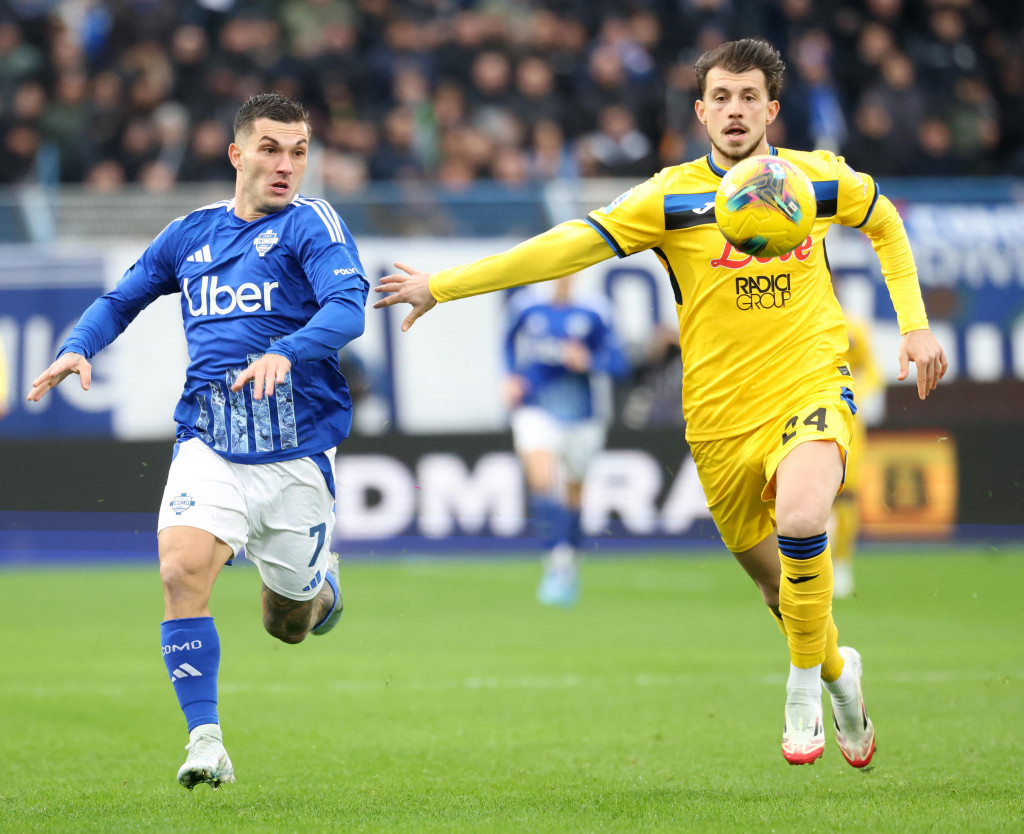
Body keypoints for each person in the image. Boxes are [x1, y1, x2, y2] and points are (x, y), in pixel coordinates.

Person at [374, 39, 948, 767]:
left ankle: (803, 685)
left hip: (809, 382)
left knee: (805, 519)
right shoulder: (668, 198)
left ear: (772, 109)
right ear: (700, 111)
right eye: (721, 97)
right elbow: (564, 248)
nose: (735, 110)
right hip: (717, 416)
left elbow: (885, 220)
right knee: (779, 589)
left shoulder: (817, 179)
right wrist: (443, 285)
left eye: (749, 97)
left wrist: (914, 324)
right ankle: (838, 674)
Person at [27, 93, 369, 790]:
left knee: (288, 623)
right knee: (180, 572)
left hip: (296, 451)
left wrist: (288, 351)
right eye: (271, 149)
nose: (286, 165)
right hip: (208, 439)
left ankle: (322, 590)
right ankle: (206, 740)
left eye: (299, 152)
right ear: (237, 153)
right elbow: (122, 298)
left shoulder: (312, 225)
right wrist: (78, 345)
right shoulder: (190, 234)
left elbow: (348, 307)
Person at [501, 275, 628, 607]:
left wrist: (589, 362)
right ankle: (555, 560)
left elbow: (619, 364)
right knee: (542, 479)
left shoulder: (595, 310)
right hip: (536, 407)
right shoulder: (527, 305)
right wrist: (510, 377)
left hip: (582, 416)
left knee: (574, 493)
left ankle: (568, 560)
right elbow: (506, 342)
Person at [829, 313, 884, 599]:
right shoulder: (797, 317)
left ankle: (842, 566)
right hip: (805, 417)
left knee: (846, 495)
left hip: (846, 421)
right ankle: (804, 566)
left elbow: (873, 371)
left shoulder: (854, 328)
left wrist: (856, 393)